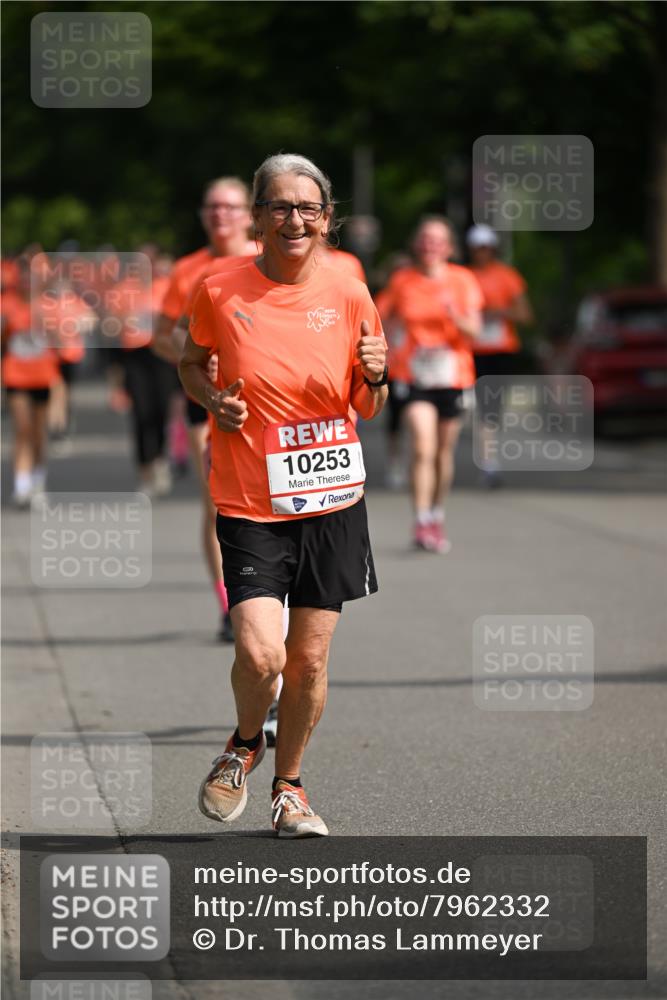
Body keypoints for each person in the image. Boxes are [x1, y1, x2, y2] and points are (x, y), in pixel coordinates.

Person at [179, 153, 388, 837]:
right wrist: (214, 400)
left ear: (327, 219)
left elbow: (370, 401)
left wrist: (378, 376)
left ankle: (289, 789)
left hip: (330, 498)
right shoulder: (217, 288)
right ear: (258, 217)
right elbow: (189, 361)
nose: (293, 219)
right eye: (279, 206)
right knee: (262, 655)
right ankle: (244, 741)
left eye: (307, 208)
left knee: (307, 662)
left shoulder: (351, 287)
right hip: (248, 499)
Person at [154, 178, 256, 642]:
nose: (221, 215)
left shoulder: (269, 259)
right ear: (203, 215)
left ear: (250, 213)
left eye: (230, 207)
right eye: (213, 207)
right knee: (217, 505)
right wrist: (193, 353)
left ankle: (270, 597)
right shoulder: (188, 269)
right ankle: (229, 604)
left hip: (267, 399)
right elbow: (162, 334)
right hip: (207, 399)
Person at [376, 217, 482, 552]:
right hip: (413, 375)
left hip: (453, 375)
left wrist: (455, 315)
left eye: (437, 240)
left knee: (442, 452)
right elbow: (375, 317)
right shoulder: (402, 280)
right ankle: (421, 520)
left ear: (448, 247)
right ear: (415, 244)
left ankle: (437, 514)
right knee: (423, 446)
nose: (429, 245)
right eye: (424, 239)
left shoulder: (463, 280)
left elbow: (475, 331)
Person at [467, 225, 533, 487]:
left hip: (501, 350)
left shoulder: (507, 277)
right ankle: (486, 461)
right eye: (477, 248)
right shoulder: (464, 276)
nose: (482, 252)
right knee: (472, 406)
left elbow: (526, 315)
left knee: (491, 408)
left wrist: (500, 312)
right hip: (470, 351)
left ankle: (489, 463)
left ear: (493, 248)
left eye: (486, 247)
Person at [1, 260, 60, 506]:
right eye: (23, 278)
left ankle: (38, 480)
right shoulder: (7, 305)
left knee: (38, 432)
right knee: (22, 429)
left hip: (42, 375)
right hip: (16, 375)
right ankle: (21, 484)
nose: (27, 282)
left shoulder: (48, 307)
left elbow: (59, 341)